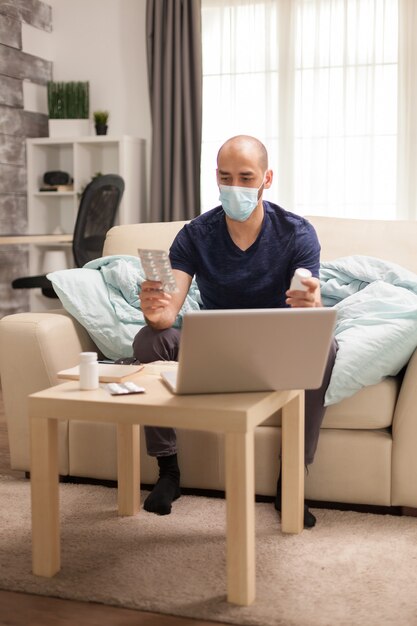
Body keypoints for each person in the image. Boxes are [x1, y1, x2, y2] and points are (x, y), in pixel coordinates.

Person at [135, 135, 337, 528]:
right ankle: (168, 471)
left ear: (267, 178)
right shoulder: (195, 234)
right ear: (215, 177)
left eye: (246, 177)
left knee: (325, 346)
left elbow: (308, 304)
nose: (236, 187)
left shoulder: (296, 233)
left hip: (277, 348)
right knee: (149, 339)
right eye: (226, 177)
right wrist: (157, 313)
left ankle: (291, 480)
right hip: (213, 347)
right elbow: (168, 311)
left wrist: (311, 307)